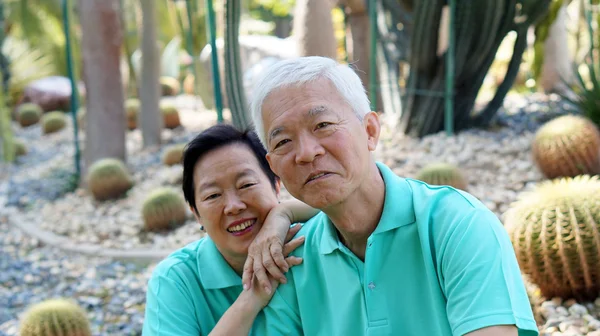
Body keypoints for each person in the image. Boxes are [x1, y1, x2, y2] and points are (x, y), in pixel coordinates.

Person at [245, 56, 539, 336]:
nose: (307, 152)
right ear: (273, 167)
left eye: (323, 125)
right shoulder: (293, 261)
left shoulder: (458, 226)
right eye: (283, 141)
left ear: (370, 130)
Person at [142, 124, 319, 336]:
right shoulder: (176, 280)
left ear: (276, 185)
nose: (233, 206)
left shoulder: (314, 243)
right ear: (196, 213)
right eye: (213, 196)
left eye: (246, 185)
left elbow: (358, 198)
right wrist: (250, 298)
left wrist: (285, 213)